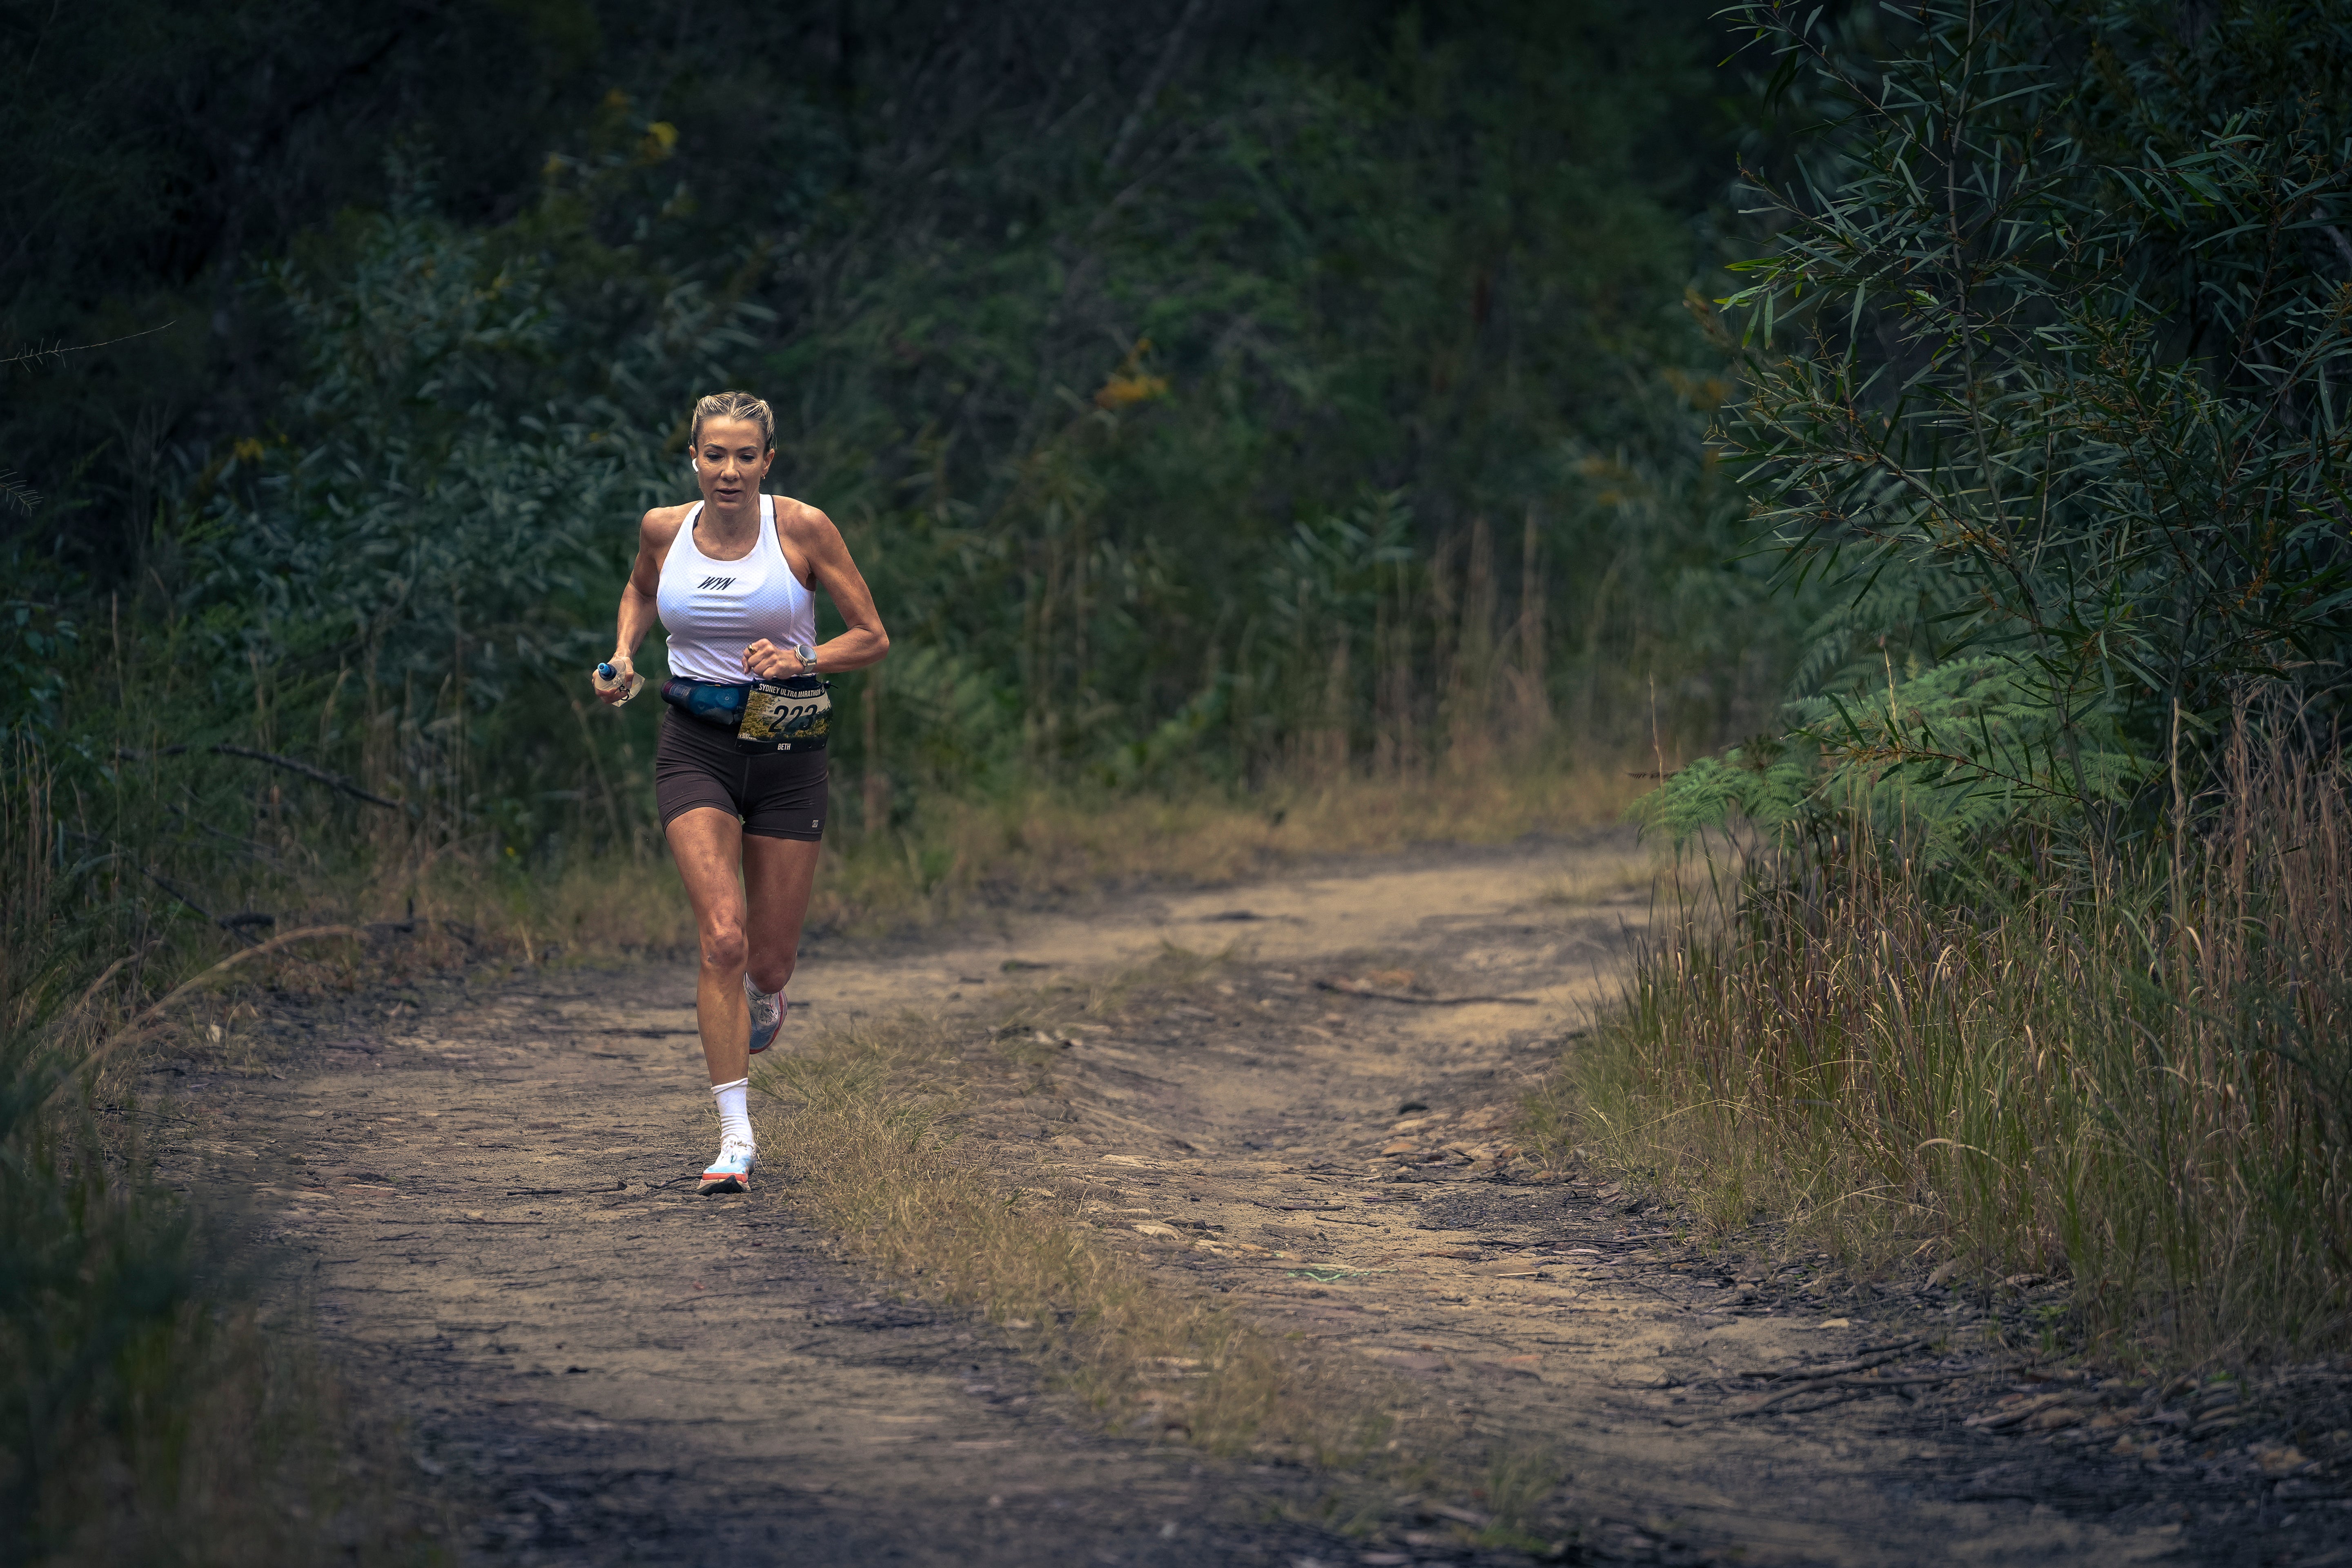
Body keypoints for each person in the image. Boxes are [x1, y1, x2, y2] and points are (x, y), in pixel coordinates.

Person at [595, 391, 888, 1194]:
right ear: (694, 458)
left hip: (788, 741)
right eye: (714, 455)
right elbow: (642, 591)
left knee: (768, 958)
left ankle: (765, 996)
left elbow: (873, 638)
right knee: (721, 937)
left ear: (768, 461)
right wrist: (623, 653)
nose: (729, 471)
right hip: (695, 743)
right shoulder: (664, 528)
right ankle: (735, 1137)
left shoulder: (803, 530)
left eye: (745, 456)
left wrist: (804, 660)